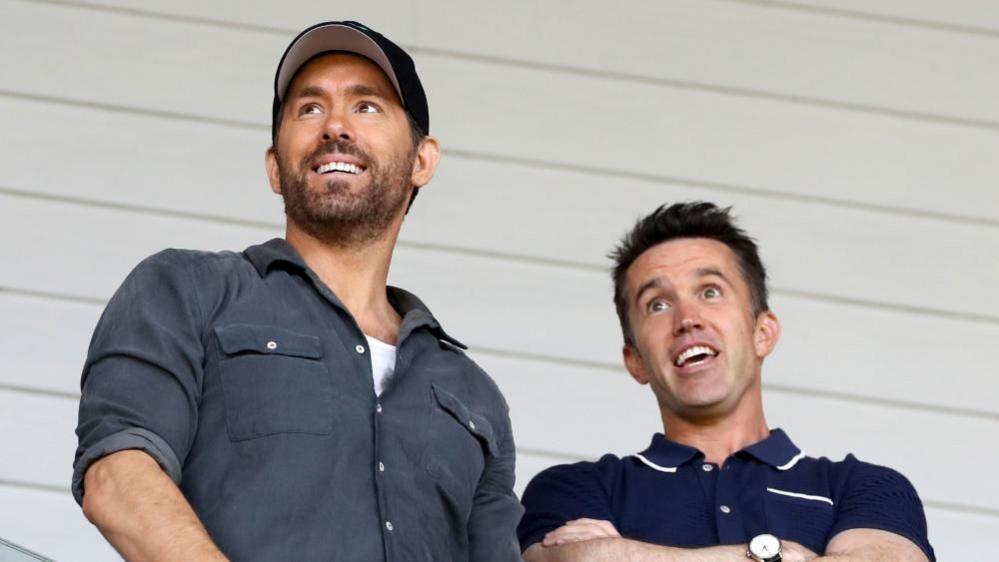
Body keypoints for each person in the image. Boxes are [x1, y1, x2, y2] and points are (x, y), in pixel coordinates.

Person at [72, 21, 521, 562]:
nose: (334, 126)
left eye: (366, 106)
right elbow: (118, 479)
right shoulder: (187, 290)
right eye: (309, 109)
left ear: (422, 160)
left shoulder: (475, 396)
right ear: (274, 168)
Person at [518, 202, 934, 562]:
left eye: (711, 291)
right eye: (657, 304)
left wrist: (624, 551)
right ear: (636, 361)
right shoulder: (576, 489)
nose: (687, 319)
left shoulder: (861, 486)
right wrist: (779, 554)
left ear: (762, 333)